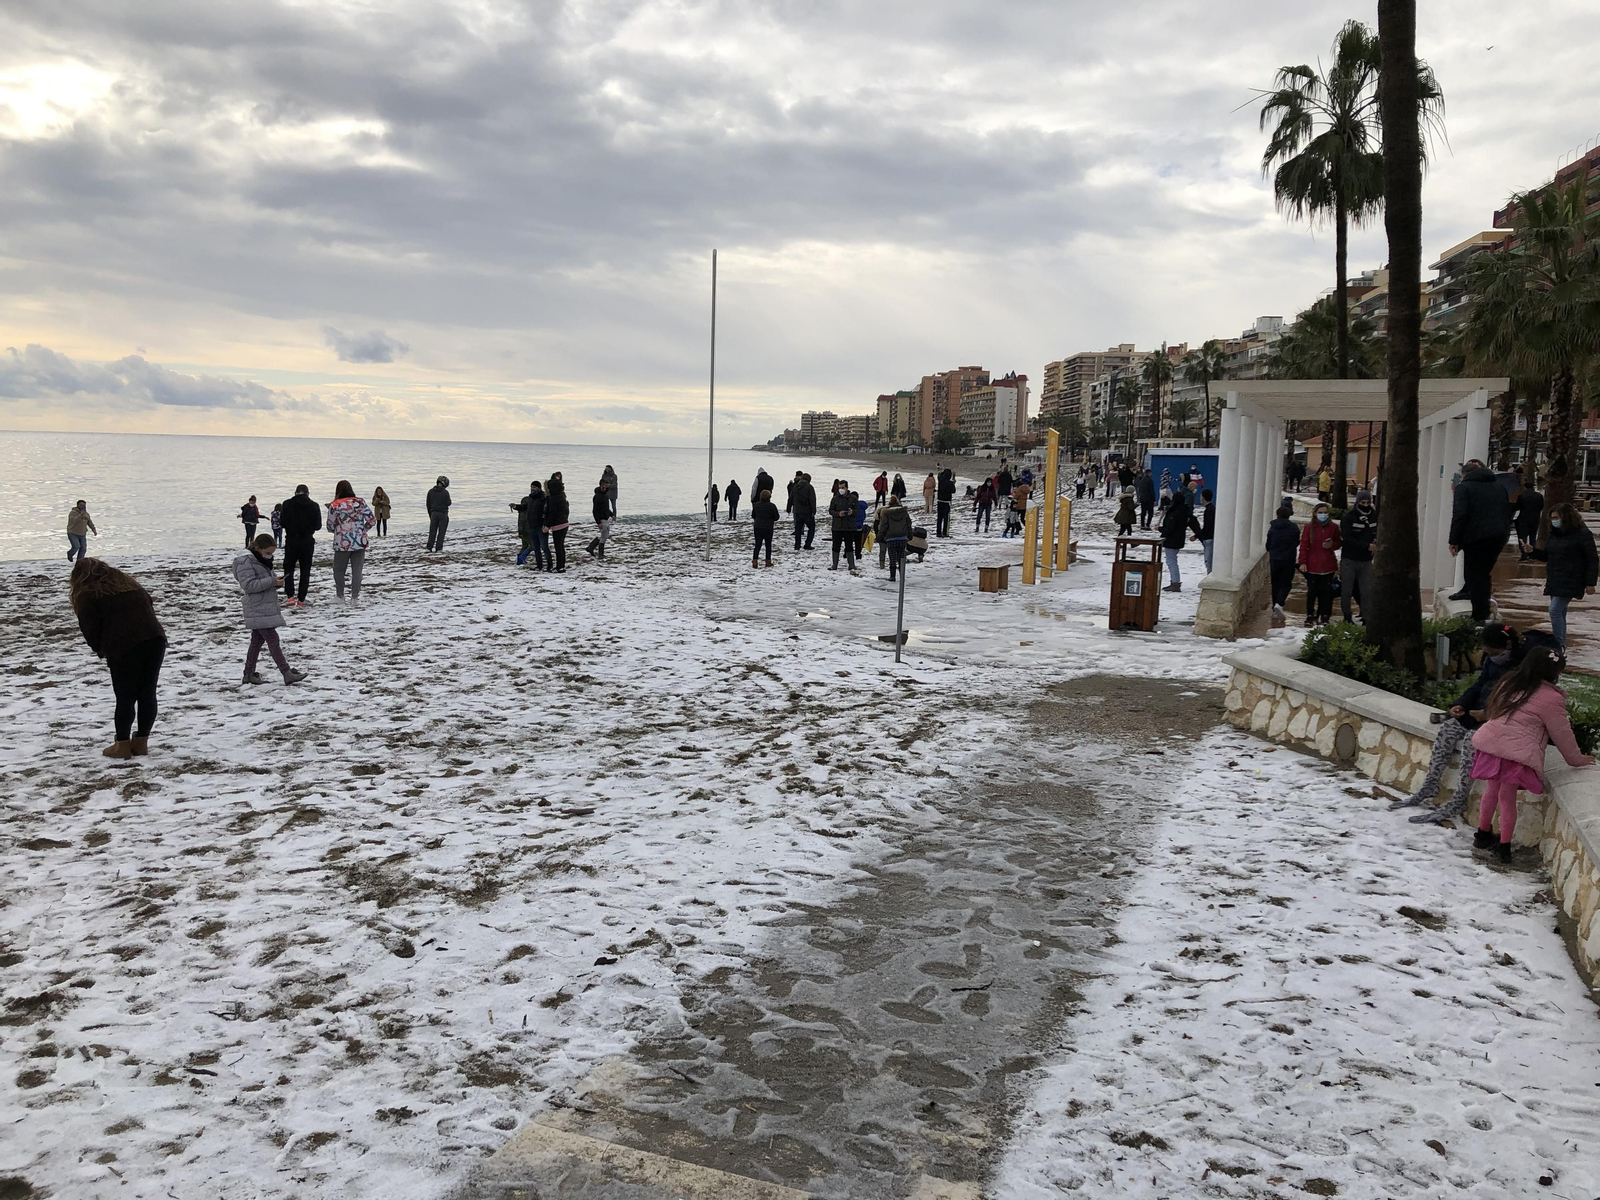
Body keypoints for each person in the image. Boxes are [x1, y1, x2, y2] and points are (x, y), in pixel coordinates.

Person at [1467, 645, 1594, 863]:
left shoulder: (1510, 682)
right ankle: (1504, 847)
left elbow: (1494, 711)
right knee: (1506, 798)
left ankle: (1482, 834)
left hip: (1491, 745)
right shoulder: (1551, 698)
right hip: (1515, 754)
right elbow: (1562, 732)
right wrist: (1576, 759)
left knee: (1491, 790)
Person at [1391, 624, 1522, 825]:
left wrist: (1488, 715)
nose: (1489, 655)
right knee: (1448, 728)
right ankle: (1430, 785)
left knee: (1472, 740)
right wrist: (1460, 704)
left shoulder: (1523, 666)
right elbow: (1479, 685)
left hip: (1499, 719)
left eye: (1493, 651)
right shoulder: (1492, 662)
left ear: (1508, 645)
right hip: (1478, 712)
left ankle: (1460, 798)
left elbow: (1519, 701)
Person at [70, 557, 166, 759]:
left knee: (125, 696)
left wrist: (101, 649)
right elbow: (149, 606)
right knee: (147, 692)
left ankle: (121, 744)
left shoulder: (88, 594)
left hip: (123, 646)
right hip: (154, 639)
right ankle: (141, 742)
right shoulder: (132, 586)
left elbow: (90, 629)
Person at [233, 534, 305, 686]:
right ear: (258, 548)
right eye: (268, 552)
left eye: (272, 553)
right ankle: (286, 672)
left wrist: (275, 582)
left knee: (257, 641)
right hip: (256, 606)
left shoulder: (259, 559)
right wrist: (271, 581)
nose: (270, 556)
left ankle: (248, 674)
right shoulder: (245, 561)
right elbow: (248, 586)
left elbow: (261, 581)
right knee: (272, 639)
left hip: (263, 605)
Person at [1448, 459, 1513, 620]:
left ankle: (1479, 614)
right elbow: (1507, 511)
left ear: (1465, 475)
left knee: (1474, 574)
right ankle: (1482, 610)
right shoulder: (1499, 486)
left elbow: (1460, 515)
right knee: (1483, 573)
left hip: (1476, 537)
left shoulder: (1464, 488)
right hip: (1499, 536)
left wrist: (1454, 540)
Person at [1532, 502, 1598, 647]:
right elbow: (1548, 555)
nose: (1554, 521)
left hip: (1572, 578)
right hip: (1555, 578)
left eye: (1556, 517)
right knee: (1560, 612)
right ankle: (1560, 643)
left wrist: (1590, 583)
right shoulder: (1553, 534)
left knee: (1554, 610)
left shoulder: (1582, 534)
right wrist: (1533, 552)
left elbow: (1592, 558)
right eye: (1552, 518)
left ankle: (1559, 644)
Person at [325, 480, 376, 602]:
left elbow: (330, 526)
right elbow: (372, 520)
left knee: (339, 570)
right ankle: (355, 597)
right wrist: (362, 530)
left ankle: (340, 595)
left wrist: (339, 530)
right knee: (357, 570)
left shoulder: (334, 505)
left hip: (342, 541)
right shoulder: (360, 502)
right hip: (359, 540)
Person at [1298, 501, 1341, 625]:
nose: (1323, 515)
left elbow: (1338, 542)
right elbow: (1304, 545)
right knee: (1312, 591)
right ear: (1315, 514)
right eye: (1320, 513)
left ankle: (1325, 614)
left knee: (1326, 592)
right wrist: (1302, 562)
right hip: (1313, 565)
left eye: (1325, 513)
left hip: (1328, 565)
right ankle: (1310, 614)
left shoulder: (1333, 527)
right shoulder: (1309, 528)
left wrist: (1332, 545)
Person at [278, 484, 321, 607]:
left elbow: (283, 523)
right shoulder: (314, 505)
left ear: (295, 492)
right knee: (305, 570)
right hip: (307, 540)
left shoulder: (286, 504)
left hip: (291, 540)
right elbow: (317, 525)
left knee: (289, 568)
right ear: (308, 493)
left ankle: (290, 597)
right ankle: (301, 599)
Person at [1339, 489, 1379, 623]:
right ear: (1357, 502)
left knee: (1366, 591)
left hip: (1367, 560)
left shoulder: (1374, 516)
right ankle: (1347, 616)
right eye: (1363, 502)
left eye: (1368, 502)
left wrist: (1375, 540)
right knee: (1347, 590)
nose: (1366, 505)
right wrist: (1366, 546)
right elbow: (1347, 538)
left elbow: (1376, 531)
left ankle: (1366, 616)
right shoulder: (1349, 518)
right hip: (1349, 559)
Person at [1266, 504, 1300, 616]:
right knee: (1286, 583)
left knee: (1275, 583)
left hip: (1275, 559)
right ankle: (1279, 603)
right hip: (1288, 559)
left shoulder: (1272, 528)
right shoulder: (1294, 528)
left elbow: (1268, 545)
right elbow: (1296, 542)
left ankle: (1275, 605)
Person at [1158, 486, 1192, 592]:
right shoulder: (1183, 511)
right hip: (1178, 539)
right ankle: (1175, 581)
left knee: (1171, 561)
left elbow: (1170, 527)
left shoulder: (1175, 512)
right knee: (1172, 560)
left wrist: (1161, 529)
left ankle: (1175, 582)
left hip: (1172, 540)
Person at [511, 481, 548, 568]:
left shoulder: (536, 502)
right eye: (531, 487)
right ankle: (521, 557)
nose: (532, 488)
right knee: (532, 545)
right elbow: (521, 520)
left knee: (525, 545)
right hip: (526, 530)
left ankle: (520, 559)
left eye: (534, 487)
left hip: (528, 528)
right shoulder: (525, 511)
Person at [881, 495, 913, 581]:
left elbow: (884, 526)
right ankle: (902, 575)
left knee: (892, 557)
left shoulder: (887, 513)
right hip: (902, 537)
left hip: (891, 538)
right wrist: (910, 535)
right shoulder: (904, 512)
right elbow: (908, 524)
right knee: (901, 557)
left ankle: (892, 576)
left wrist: (880, 537)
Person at [828, 481, 858, 572]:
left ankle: (851, 565)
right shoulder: (835, 499)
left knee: (849, 546)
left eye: (843, 488)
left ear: (847, 488)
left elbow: (857, 510)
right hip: (837, 526)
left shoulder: (853, 498)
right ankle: (834, 564)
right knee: (836, 546)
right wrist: (838, 514)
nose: (841, 489)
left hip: (849, 526)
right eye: (840, 488)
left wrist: (851, 512)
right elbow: (831, 511)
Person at [543, 477, 571, 571]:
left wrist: (547, 525)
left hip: (558, 525)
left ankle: (560, 566)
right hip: (564, 523)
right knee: (560, 546)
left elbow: (552, 514)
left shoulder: (553, 499)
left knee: (558, 546)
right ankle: (561, 565)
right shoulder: (562, 497)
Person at [1514, 477, 1544, 560]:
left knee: (1523, 537)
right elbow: (1541, 507)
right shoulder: (1539, 496)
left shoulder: (1522, 496)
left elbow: (1517, 507)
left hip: (1523, 519)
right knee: (1533, 537)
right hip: (1535, 519)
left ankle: (1524, 554)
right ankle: (1532, 554)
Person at [751, 488, 779, 568]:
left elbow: (753, 516)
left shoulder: (757, 505)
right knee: (768, 545)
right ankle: (768, 561)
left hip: (757, 527)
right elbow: (776, 517)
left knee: (758, 544)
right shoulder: (772, 506)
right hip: (768, 527)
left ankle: (755, 561)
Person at [426, 475, 452, 552]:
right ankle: (439, 548)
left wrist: (430, 514)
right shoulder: (445, 492)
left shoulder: (430, 491)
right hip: (443, 514)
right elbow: (448, 503)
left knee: (432, 532)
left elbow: (428, 504)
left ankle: (429, 547)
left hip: (433, 514)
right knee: (441, 532)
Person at [586, 484, 613, 560]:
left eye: (606, 486)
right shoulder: (597, 496)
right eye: (603, 486)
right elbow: (595, 511)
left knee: (605, 535)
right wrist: (598, 522)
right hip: (601, 519)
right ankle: (600, 554)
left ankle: (591, 547)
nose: (605, 488)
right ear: (600, 486)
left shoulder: (605, 496)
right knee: (604, 536)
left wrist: (611, 514)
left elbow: (606, 508)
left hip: (605, 518)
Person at [791, 473, 817, 550]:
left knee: (798, 529)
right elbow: (813, 500)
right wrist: (813, 510)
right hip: (807, 512)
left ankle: (797, 545)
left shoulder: (796, 486)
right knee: (811, 527)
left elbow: (791, 497)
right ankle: (807, 544)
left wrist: (789, 507)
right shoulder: (809, 487)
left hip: (797, 511)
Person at [1194, 488, 1216, 574]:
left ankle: (1210, 578)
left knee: (1208, 562)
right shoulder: (1212, 508)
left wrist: (1197, 535)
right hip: (1211, 537)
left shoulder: (1208, 510)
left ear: (1203, 497)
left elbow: (1207, 526)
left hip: (1208, 538)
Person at [936, 467, 956, 537]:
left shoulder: (940, 481)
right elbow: (953, 491)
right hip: (946, 502)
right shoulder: (949, 483)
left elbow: (939, 475)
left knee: (939, 518)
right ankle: (945, 532)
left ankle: (938, 532)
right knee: (946, 519)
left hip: (939, 501)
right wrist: (954, 477)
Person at [853, 490, 869, 558]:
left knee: (849, 541)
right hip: (859, 526)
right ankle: (858, 554)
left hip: (851, 526)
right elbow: (864, 516)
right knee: (858, 541)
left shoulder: (852, 506)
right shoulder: (862, 506)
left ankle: (846, 553)